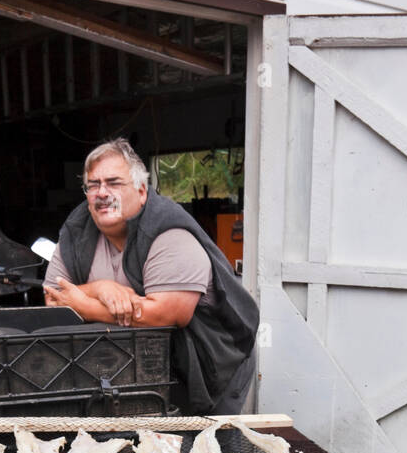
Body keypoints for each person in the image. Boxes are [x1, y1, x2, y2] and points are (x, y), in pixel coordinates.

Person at [44, 138, 259, 416]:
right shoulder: (77, 231)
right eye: (93, 185)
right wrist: (101, 288)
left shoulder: (168, 232)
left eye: (114, 183)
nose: (102, 193)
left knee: (205, 449)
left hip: (208, 362)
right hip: (139, 367)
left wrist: (85, 306)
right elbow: (52, 299)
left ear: (141, 191)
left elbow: (167, 314)